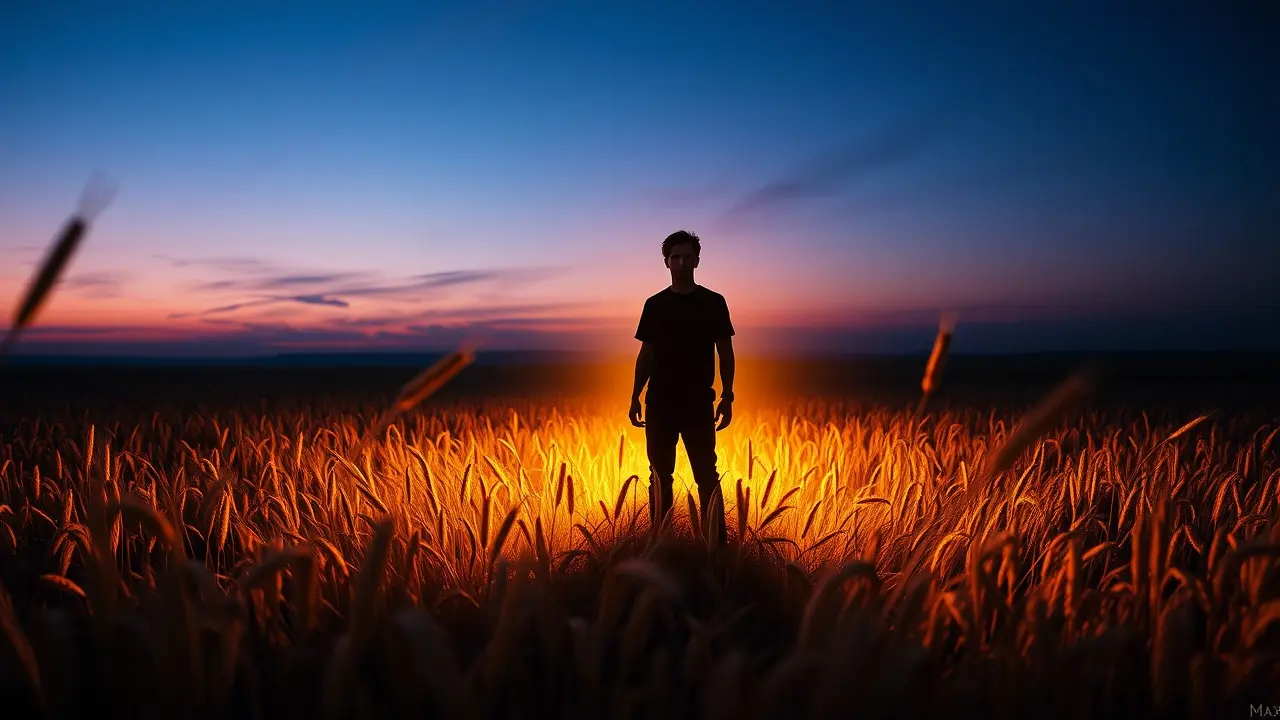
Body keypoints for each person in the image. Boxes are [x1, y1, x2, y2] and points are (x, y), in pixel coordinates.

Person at [629, 230, 735, 544]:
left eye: (688, 256)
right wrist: (635, 395)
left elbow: (725, 351)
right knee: (660, 478)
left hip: (698, 403)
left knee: (706, 477)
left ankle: (716, 549)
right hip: (659, 402)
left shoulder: (713, 302)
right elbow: (646, 353)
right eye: (675, 256)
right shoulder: (655, 305)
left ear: (697, 260)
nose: (682, 262)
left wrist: (727, 395)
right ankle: (662, 546)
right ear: (666, 262)